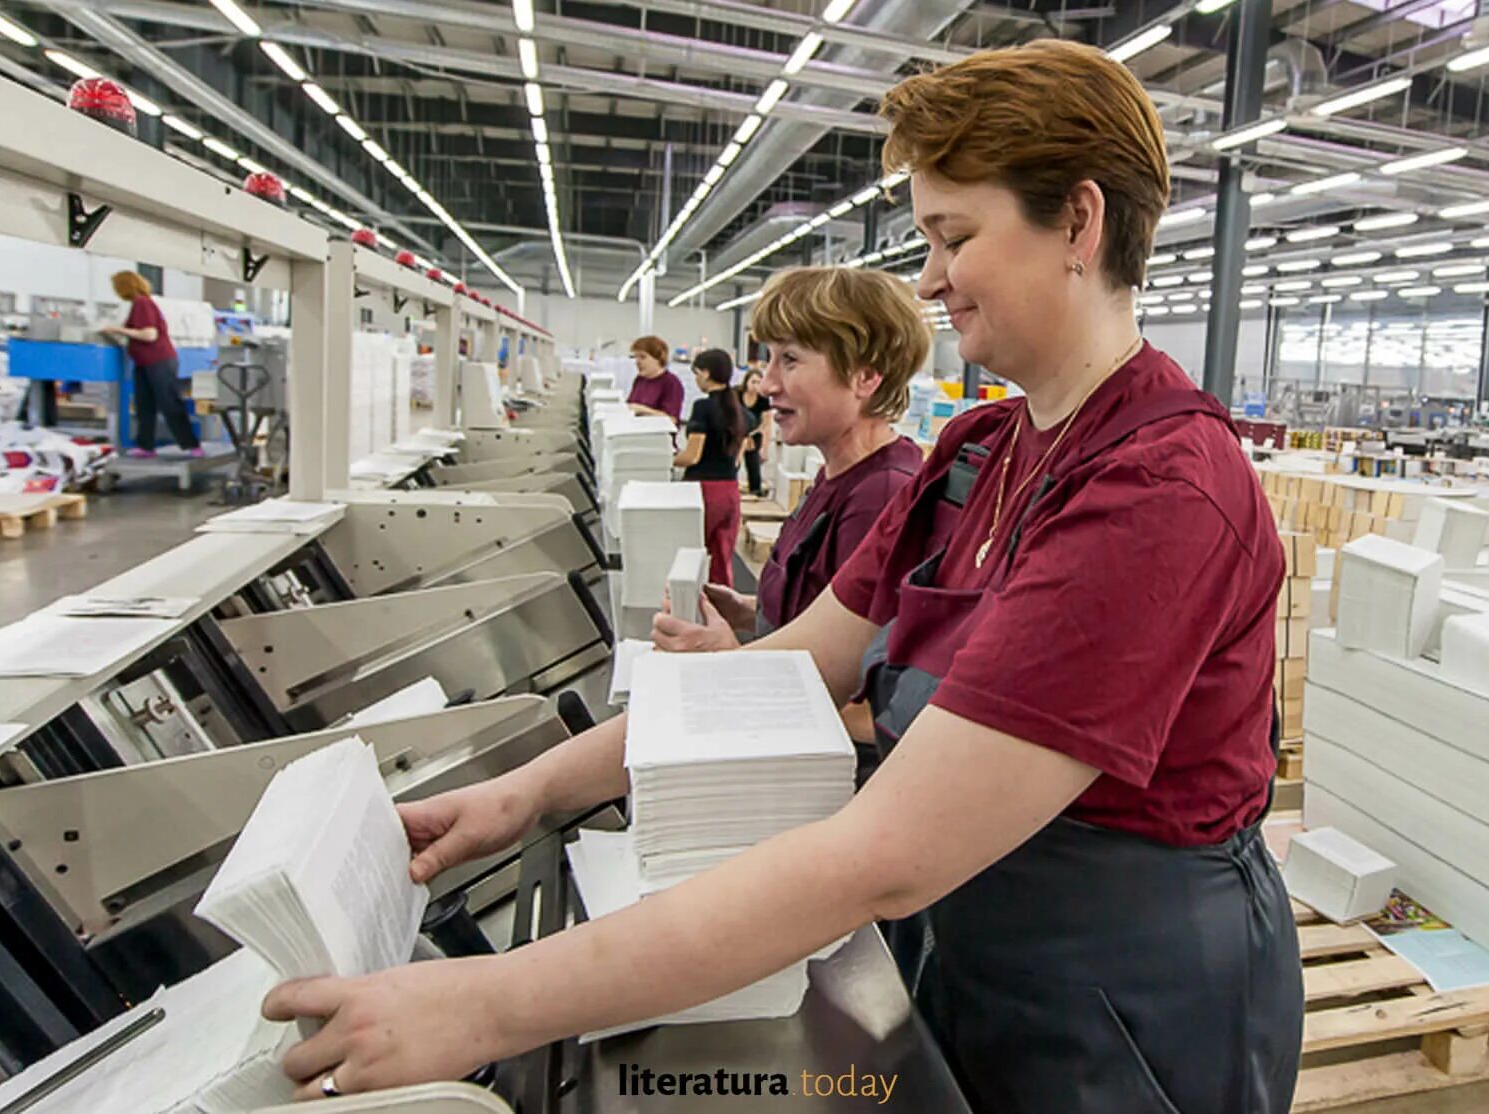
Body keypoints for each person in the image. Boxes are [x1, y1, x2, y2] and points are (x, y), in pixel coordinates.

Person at [264, 39, 1300, 1114]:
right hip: (964, 948)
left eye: (956, 235)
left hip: (1125, 1009)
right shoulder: (977, 452)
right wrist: (530, 790)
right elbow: (779, 669)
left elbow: (886, 852)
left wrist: (483, 1004)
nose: (931, 277)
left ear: (1078, 223)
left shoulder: (1162, 491)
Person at [652, 266, 929, 772]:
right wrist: (746, 611)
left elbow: (862, 699)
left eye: (791, 360)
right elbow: (826, 611)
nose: (768, 382)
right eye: (768, 359)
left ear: (866, 376)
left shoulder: (884, 494)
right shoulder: (838, 476)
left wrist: (728, 658)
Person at [97, 271, 201, 459]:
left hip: (158, 361)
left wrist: (118, 329)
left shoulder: (142, 303)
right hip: (144, 362)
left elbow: (150, 334)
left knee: (169, 402)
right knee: (144, 405)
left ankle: (191, 445)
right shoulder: (138, 305)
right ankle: (145, 446)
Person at [671, 348, 747, 587]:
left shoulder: (703, 407)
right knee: (722, 562)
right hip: (730, 492)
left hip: (703, 492)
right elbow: (741, 450)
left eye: (696, 374)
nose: (696, 379)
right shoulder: (738, 410)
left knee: (690, 558)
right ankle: (723, 614)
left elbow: (693, 456)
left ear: (706, 373)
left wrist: (664, 457)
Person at [624, 335, 684, 423]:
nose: (637, 362)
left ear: (658, 358)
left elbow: (671, 419)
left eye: (643, 357)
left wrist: (643, 410)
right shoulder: (640, 380)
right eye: (635, 357)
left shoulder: (671, 383)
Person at [739, 367, 772, 497]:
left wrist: (764, 449)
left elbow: (766, 424)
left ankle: (755, 491)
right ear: (746, 382)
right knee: (732, 463)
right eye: (753, 382)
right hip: (737, 433)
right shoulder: (737, 394)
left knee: (754, 465)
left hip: (754, 434)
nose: (755, 386)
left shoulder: (763, 400)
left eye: (759, 382)